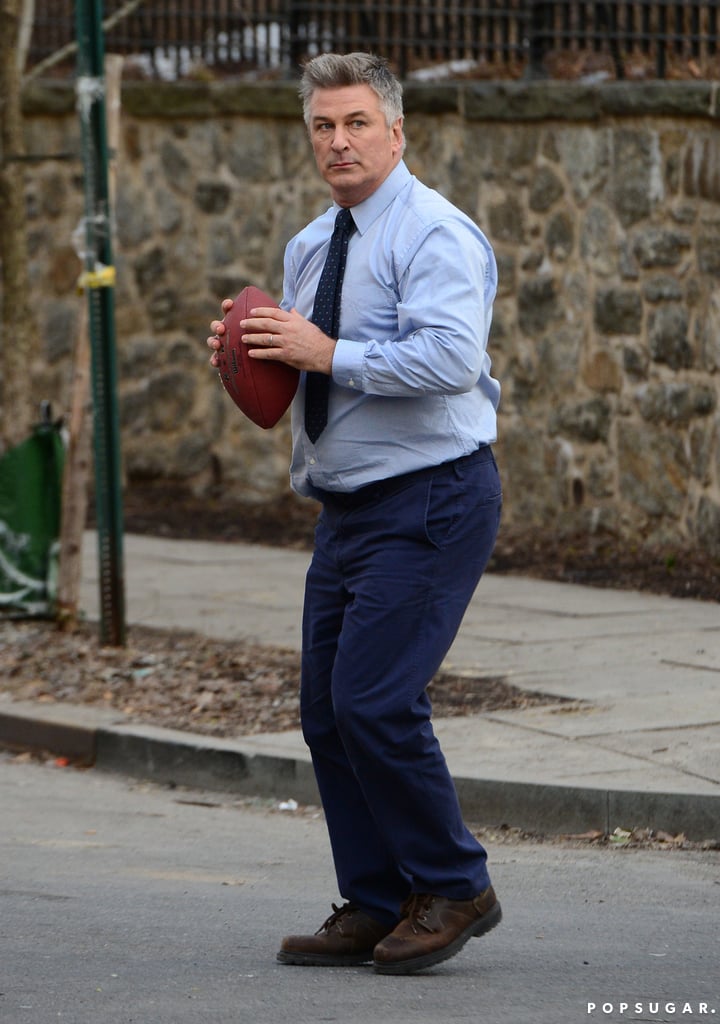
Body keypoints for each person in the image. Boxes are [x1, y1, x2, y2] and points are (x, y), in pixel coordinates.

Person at [207, 51, 503, 976]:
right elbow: (300, 373)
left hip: (434, 496)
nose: (339, 142)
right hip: (347, 510)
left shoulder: (435, 235)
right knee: (328, 716)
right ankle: (378, 900)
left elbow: (451, 360)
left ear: (396, 130)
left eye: (357, 123)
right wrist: (249, 354)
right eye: (323, 127)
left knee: (374, 701)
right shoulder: (311, 245)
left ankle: (455, 883)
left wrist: (326, 352)